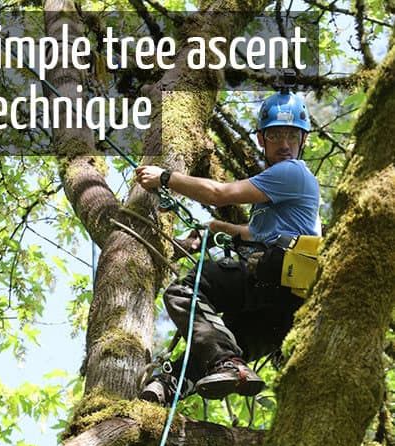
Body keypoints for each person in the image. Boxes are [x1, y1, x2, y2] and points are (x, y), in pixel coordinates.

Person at [135, 91, 320, 405]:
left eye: (292, 135)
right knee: (221, 344)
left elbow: (219, 194)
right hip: (287, 308)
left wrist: (165, 177)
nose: (285, 144)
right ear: (262, 139)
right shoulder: (286, 189)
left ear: (303, 139)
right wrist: (225, 230)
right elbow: (263, 232)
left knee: (184, 291)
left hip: (274, 275)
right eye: (276, 135)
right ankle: (165, 388)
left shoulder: (291, 172)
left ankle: (224, 364)